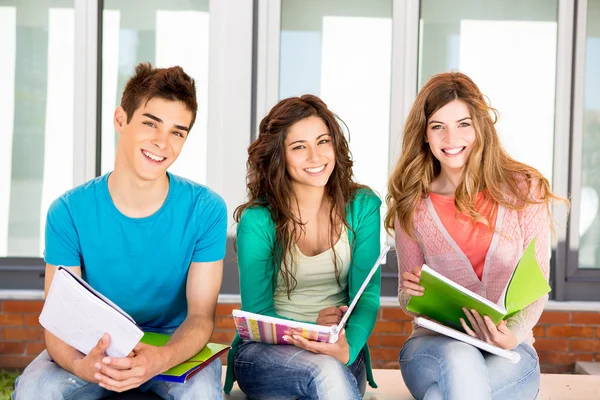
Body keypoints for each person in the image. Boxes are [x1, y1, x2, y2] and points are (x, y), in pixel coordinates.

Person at [13, 63, 227, 399]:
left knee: (202, 395)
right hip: (92, 345)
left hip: (172, 343)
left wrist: (161, 358)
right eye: (150, 124)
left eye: (177, 132)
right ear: (120, 120)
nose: (162, 142)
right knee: (36, 390)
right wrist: (81, 365)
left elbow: (201, 317)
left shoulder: (206, 210)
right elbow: (57, 321)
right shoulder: (68, 211)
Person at [385, 72, 567, 400]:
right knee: (460, 357)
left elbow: (537, 287)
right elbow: (406, 298)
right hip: (434, 347)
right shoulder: (412, 205)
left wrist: (511, 336)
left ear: (481, 127)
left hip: (510, 351)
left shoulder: (526, 190)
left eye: (463, 124)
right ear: (425, 135)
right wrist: (411, 293)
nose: (451, 137)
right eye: (438, 126)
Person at [223, 94, 382, 399]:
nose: (315, 156)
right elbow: (258, 312)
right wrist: (312, 327)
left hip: (341, 347)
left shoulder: (363, 206)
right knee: (323, 372)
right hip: (266, 352)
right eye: (299, 147)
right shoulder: (258, 220)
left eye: (323, 141)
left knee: (329, 368)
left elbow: (368, 297)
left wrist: (345, 348)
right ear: (278, 156)